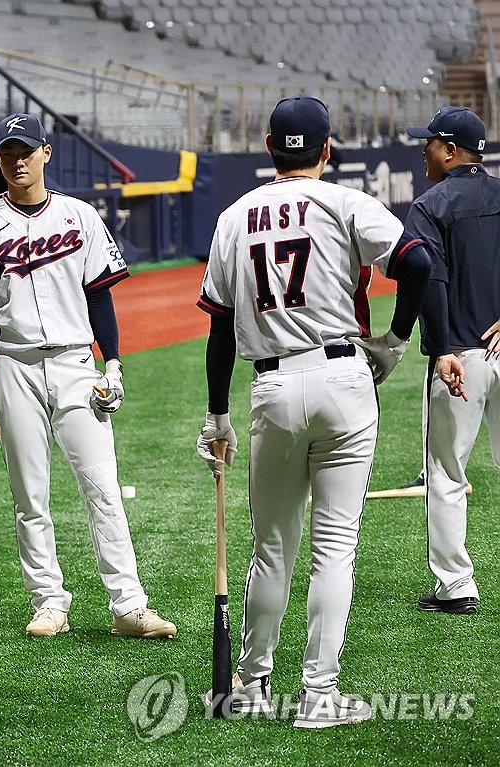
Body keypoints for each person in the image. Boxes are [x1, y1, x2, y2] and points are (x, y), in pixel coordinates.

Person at [195, 96, 432, 727]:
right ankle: (319, 695)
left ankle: (251, 684)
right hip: (343, 378)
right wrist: (396, 339)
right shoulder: (345, 202)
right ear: (327, 150)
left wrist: (216, 414)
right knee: (335, 546)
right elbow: (417, 262)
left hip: (271, 386)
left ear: (269, 146)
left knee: (271, 547)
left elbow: (220, 331)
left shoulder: (233, 216)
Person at [0, 113, 176, 641]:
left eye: (26, 150)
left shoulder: (80, 216)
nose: (17, 160)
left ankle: (129, 605)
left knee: (101, 486)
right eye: (7, 152)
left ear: (46, 153)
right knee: (31, 494)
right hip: (13, 364)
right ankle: (49, 601)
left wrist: (113, 362)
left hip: (77, 364)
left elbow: (100, 292)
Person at [404, 106, 498, 615]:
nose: (423, 151)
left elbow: (430, 281)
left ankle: (456, 585)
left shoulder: (429, 204)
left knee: (445, 472)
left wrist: (440, 348)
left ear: (449, 150)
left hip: (461, 354)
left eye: (430, 144)